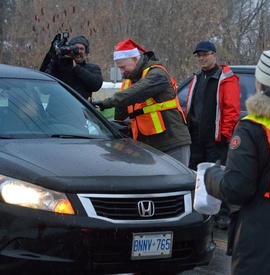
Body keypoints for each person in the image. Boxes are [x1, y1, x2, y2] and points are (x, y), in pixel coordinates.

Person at [204, 47, 270, 274]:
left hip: (262, 239)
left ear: (260, 84)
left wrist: (210, 176)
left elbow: (237, 188)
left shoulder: (253, 128)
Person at [93, 38, 191, 166]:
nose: (122, 72)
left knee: (177, 183)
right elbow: (120, 113)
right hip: (146, 147)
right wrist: (98, 115)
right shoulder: (128, 83)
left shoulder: (157, 74)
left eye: (123, 67)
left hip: (171, 142)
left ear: (135, 59)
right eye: (119, 68)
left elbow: (136, 93)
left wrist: (107, 102)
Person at [184, 40, 240, 229]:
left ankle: (222, 214)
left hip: (216, 138)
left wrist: (225, 135)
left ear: (214, 55)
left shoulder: (226, 77)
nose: (201, 58)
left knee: (219, 175)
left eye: (205, 54)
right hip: (196, 136)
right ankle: (200, 211)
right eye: (199, 55)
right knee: (197, 174)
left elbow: (231, 109)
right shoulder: (197, 77)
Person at [43, 34, 103, 100]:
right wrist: (54, 63)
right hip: (58, 108)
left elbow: (96, 85)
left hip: (81, 108)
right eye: (75, 48)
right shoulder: (58, 66)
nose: (78, 52)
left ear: (86, 52)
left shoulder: (93, 68)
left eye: (81, 49)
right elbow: (44, 89)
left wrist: (76, 67)